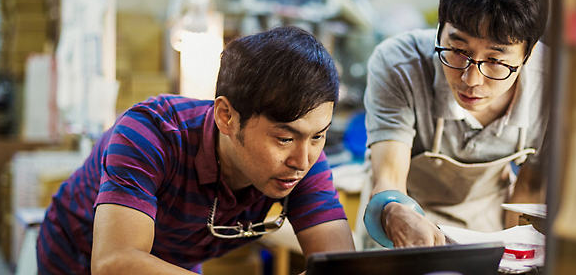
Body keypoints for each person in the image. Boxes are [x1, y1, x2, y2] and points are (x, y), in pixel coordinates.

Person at [37, 26, 355, 275]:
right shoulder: (150, 133)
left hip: (175, 263)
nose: (302, 161)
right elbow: (114, 262)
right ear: (226, 117)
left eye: (318, 136)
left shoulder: (305, 157)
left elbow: (340, 267)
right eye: (284, 139)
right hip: (77, 257)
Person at [361, 0, 550, 248]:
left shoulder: (552, 87)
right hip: (400, 227)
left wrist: (516, 254)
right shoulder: (400, 65)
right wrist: (394, 212)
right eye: (459, 51)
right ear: (440, 30)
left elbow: (529, 188)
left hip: (488, 230)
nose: (471, 80)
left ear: (529, 52)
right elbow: (389, 178)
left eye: (495, 61)